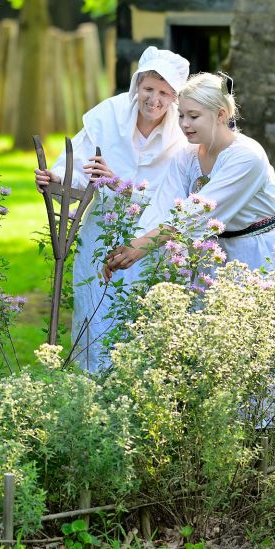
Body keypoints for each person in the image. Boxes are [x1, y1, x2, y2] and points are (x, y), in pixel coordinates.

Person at [105, 71, 275, 358]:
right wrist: (131, 247)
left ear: (220, 114)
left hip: (262, 254)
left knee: (267, 348)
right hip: (216, 257)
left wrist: (145, 245)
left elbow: (200, 213)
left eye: (193, 116)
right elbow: (163, 207)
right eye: (181, 115)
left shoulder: (247, 156)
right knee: (217, 350)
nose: (184, 124)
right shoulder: (186, 156)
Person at [35, 45, 190, 373]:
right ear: (137, 85)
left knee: (142, 322)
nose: (155, 100)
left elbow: (174, 201)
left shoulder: (183, 134)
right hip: (101, 235)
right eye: (148, 89)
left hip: (151, 244)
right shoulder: (109, 116)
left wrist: (119, 183)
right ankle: (93, 393)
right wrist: (55, 180)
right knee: (96, 315)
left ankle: (138, 396)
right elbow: (76, 169)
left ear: (175, 97)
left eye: (164, 92)